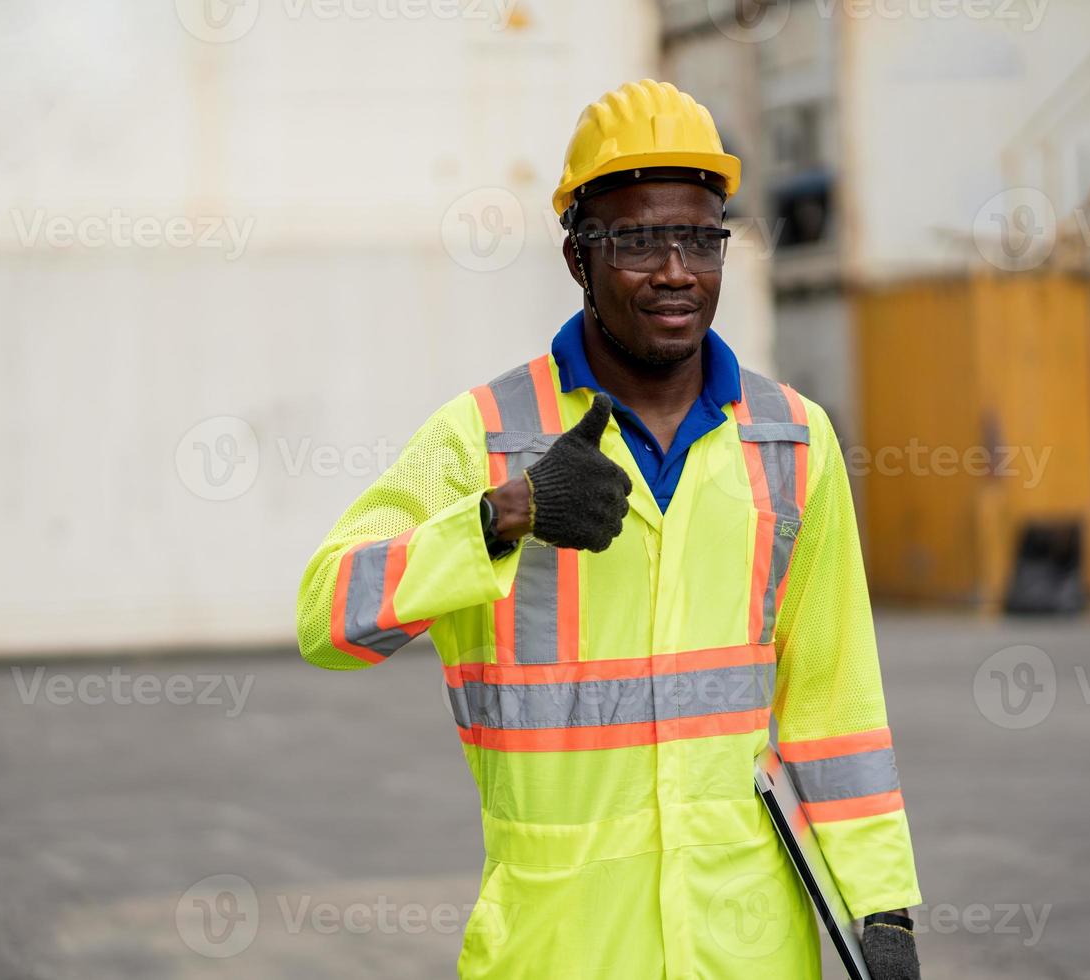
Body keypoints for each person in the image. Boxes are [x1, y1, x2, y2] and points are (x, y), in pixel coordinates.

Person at [297, 79, 921, 979]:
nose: (675, 270)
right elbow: (327, 621)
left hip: (745, 949)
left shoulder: (791, 440)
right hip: (560, 949)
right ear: (577, 258)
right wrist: (499, 517)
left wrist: (882, 910)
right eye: (635, 239)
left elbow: (836, 705)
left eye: (701, 238)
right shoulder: (483, 438)